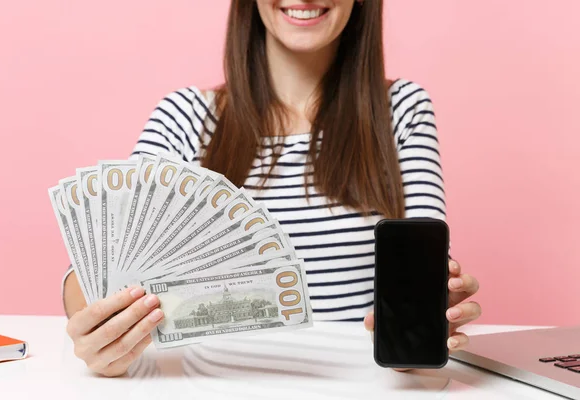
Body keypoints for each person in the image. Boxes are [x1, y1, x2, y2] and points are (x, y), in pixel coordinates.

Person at [62, 0, 481, 377]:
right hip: (212, 385)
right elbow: (99, 266)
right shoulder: (186, 118)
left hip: (359, 384)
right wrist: (97, 329)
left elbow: (425, 276)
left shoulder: (401, 111)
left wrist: (425, 323)